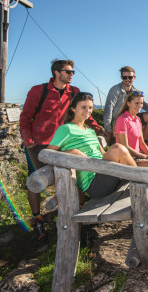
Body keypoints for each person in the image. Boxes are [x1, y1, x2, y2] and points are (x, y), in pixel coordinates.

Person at [20, 59, 104, 242]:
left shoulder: (73, 93)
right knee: (36, 181)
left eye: (73, 72)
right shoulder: (38, 91)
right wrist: (29, 143)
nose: (72, 74)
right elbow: (25, 117)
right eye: (68, 72)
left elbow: (83, 114)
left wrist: (99, 129)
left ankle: (71, 215)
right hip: (39, 144)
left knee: (69, 177)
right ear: (56, 72)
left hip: (64, 142)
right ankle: (37, 219)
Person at [48, 92, 138, 199]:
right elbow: (48, 155)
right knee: (117, 148)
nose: (88, 111)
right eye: (83, 107)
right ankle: (140, 178)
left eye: (90, 107)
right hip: (94, 184)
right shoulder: (66, 129)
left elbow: (103, 154)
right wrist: (71, 152)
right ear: (73, 109)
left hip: (105, 172)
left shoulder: (90, 131)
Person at [103, 66, 148, 147]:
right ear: (121, 78)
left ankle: (143, 143)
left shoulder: (135, 91)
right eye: (124, 77)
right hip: (118, 120)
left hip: (131, 118)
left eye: (130, 77)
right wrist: (108, 129)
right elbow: (109, 108)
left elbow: (145, 105)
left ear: (134, 78)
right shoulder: (115, 90)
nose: (127, 79)